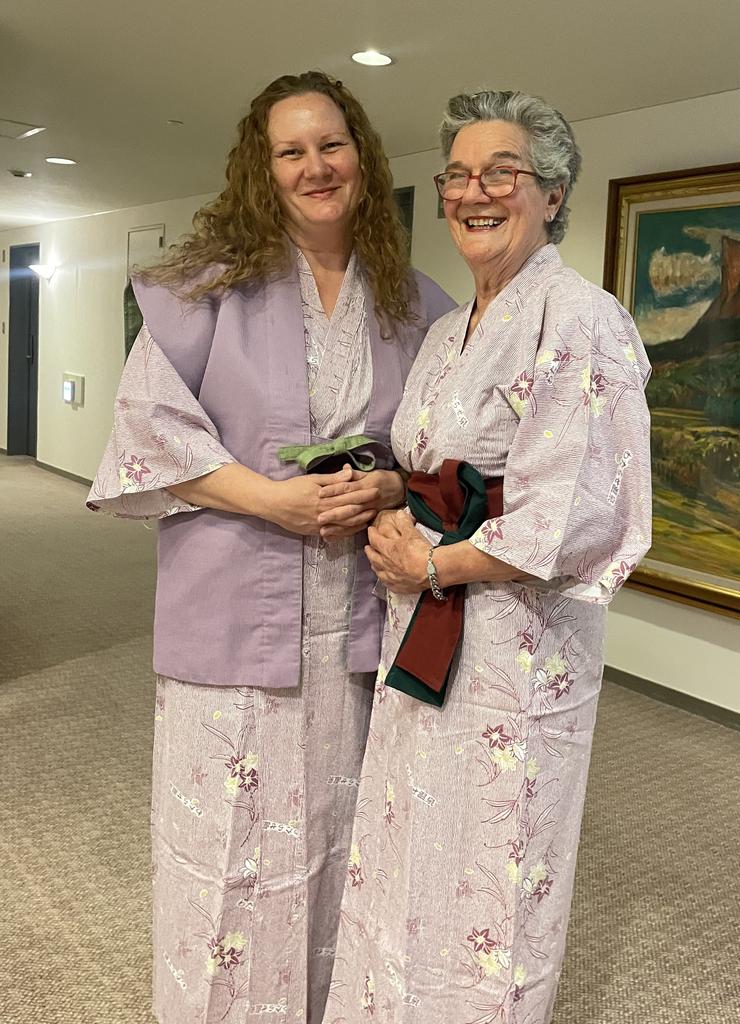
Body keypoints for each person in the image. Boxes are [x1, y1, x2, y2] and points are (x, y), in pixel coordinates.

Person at [86, 71, 454, 1024]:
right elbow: (151, 439)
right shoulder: (204, 289)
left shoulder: (416, 303)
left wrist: (384, 485)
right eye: (291, 151)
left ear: (362, 159)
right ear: (263, 169)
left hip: (356, 620)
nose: (315, 166)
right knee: (229, 848)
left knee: (337, 837)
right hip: (233, 606)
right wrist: (276, 503)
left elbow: (442, 459)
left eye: (331, 145)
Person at [321, 90, 652, 1023]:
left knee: (493, 874)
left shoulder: (580, 320)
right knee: (410, 840)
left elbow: (574, 511)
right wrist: (392, 497)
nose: (476, 191)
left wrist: (432, 564)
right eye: (458, 175)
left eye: (501, 172)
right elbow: (439, 468)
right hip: (421, 628)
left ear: (551, 194)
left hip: (517, 648)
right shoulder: (443, 333)